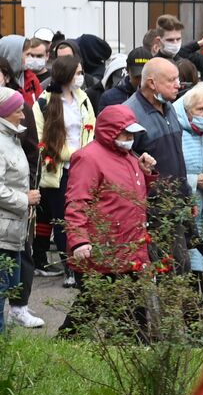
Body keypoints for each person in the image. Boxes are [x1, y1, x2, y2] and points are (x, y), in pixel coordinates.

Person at [60, 104, 156, 334]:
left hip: (129, 249)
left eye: (133, 133)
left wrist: (147, 174)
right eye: (126, 133)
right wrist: (80, 241)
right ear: (111, 131)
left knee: (127, 315)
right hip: (102, 251)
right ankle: (65, 345)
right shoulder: (89, 158)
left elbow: (132, 197)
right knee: (96, 309)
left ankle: (69, 343)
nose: (130, 138)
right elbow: (77, 202)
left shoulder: (130, 157)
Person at [125, 56, 193, 273]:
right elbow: (124, 161)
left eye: (178, 79)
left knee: (181, 268)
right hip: (152, 208)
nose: (178, 84)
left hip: (176, 203)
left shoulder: (169, 106)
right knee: (168, 271)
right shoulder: (129, 114)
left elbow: (176, 157)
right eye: (171, 80)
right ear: (151, 83)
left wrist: (187, 194)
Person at [31, 56, 94, 283]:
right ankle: (69, 266)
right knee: (62, 220)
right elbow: (39, 138)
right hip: (58, 169)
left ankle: (84, 264)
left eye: (81, 72)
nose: (81, 77)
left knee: (85, 217)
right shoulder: (44, 102)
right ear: (66, 74)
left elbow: (91, 128)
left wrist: (87, 154)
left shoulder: (83, 98)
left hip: (84, 166)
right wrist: (71, 154)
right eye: (77, 73)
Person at [172, 83, 203, 279]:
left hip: (202, 210)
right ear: (188, 111)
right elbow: (169, 173)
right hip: (181, 205)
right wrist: (194, 180)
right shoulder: (177, 134)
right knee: (181, 262)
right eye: (200, 109)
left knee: (198, 260)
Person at [0, 89, 36, 332]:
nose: (23, 116)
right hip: (3, 233)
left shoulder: (11, 137)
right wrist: (24, 199)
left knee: (8, 289)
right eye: (18, 111)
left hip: (12, 230)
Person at [98, 49, 148, 115]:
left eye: (144, 76)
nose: (141, 81)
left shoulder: (158, 96)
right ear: (127, 70)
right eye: (137, 77)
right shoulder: (110, 98)